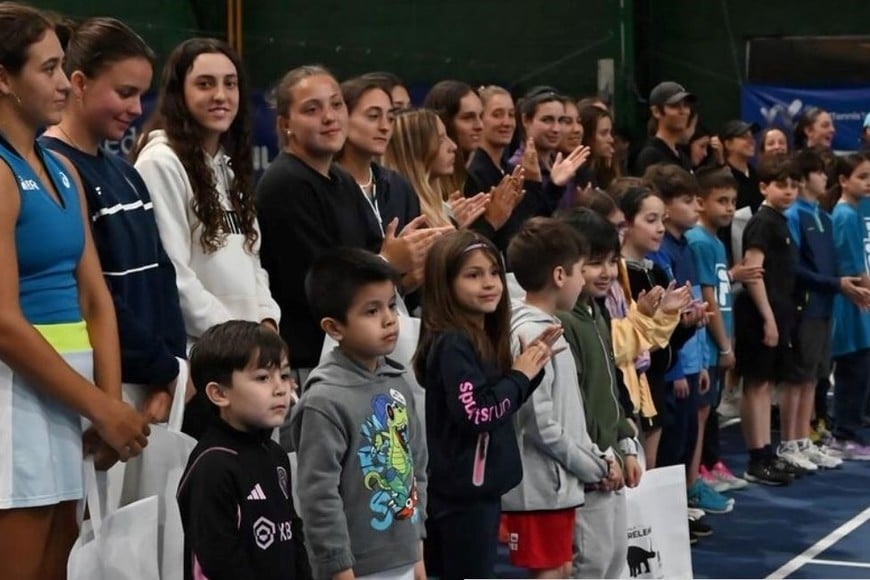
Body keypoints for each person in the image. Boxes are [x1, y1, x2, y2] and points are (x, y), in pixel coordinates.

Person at [0, 5, 150, 578]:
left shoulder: (60, 169)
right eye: (49, 68)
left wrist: (108, 404)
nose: (66, 82)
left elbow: (94, 299)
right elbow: (4, 321)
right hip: (16, 400)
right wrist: (101, 408)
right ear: (4, 79)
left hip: (71, 405)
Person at [255, 66, 435, 439]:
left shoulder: (340, 179)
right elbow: (319, 284)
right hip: (312, 366)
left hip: (353, 361)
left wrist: (410, 265)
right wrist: (389, 264)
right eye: (312, 109)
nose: (329, 117)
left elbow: (372, 254)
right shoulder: (285, 184)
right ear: (286, 123)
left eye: (336, 105)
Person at [41, 17, 189, 423]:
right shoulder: (53, 171)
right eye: (125, 93)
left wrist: (171, 373)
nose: (137, 109)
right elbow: (94, 294)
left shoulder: (126, 173)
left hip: (155, 383)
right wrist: (161, 370)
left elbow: (162, 276)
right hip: (99, 387)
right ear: (79, 83)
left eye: (142, 95)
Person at [413, 231, 559, 580]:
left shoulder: (477, 335)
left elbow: (497, 399)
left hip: (476, 491)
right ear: (444, 284)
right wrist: (520, 376)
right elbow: (478, 413)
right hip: (463, 496)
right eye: (473, 275)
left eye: (494, 272)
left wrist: (530, 368)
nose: (490, 283)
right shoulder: (453, 343)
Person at [291, 249, 428, 580]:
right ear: (334, 327)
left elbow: (417, 468)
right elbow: (319, 494)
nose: (388, 319)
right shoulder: (324, 399)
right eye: (371, 310)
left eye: (391, 305)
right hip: (357, 567)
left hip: (404, 557)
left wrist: (417, 549)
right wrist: (338, 566)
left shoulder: (397, 380)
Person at [132, 39, 280, 341]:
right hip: (204, 354)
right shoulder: (160, 163)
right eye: (205, 84)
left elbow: (252, 262)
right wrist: (237, 340)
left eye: (230, 84)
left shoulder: (228, 167)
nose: (221, 96)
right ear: (178, 93)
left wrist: (267, 322)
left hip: (247, 354)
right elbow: (174, 275)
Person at [502, 218, 611, 579]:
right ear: (560, 275)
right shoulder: (532, 336)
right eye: (581, 270)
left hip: (558, 482)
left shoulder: (547, 328)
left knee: (562, 567)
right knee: (550, 572)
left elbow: (565, 416)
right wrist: (592, 467)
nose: (584, 280)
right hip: (540, 485)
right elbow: (541, 426)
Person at [177, 321, 308, 580]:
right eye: (262, 378)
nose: (281, 388)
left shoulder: (275, 455)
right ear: (219, 393)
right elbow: (219, 560)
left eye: (283, 375)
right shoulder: (212, 466)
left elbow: (293, 535)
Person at [642, 164, 735, 515]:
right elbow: (665, 323)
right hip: (670, 367)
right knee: (668, 444)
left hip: (693, 358)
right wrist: (679, 369)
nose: (697, 207)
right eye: (687, 200)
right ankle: (666, 511)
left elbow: (693, 309)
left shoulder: (686, 248)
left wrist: (701, 362)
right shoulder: (660, 252)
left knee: (684, 437)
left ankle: (684, 496)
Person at [555, 209, 643, 575]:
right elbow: (574, 402)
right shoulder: (563, 321)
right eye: (594, 264)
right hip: (589, 469)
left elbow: (610, 388)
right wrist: (603, 455)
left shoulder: (597, 311)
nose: (606, 272)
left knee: (614, 559)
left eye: (611, 261)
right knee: (589, 563)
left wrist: (625, 442)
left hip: (613, 461)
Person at [786, 150, 867, 467]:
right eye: (820, 173)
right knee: (801, 376)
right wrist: (837, 285)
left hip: (826, 304)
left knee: (814, 376)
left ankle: (804, 439)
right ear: (805, 179)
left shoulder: (823, 214)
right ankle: (792, 442)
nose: (825, 178)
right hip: (807, 305)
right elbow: (795, 267)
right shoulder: (796, 215)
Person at [733, 153, 804, 484]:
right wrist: (768, 318)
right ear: (763, 187)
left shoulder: (780, 220)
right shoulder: (763, 222)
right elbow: (753, 272)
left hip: (777, 311)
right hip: (759, 314)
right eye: (781, 185)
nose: (788, 191)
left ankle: (766, 452)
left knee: (766, 385)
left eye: (793, 185)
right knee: (757, 386)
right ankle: (756, 456)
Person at [685, 168, 752, 492]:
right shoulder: (699, 241)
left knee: (708, 411)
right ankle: (696, 475)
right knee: (701, 414)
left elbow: (723, 297)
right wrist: (724, 346)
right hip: (709, 346)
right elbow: (708, 296)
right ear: (700, 202)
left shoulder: (714, 240)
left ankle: (707, 466)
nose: (728, 208)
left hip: (719, 343)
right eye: (721, 201)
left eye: (733, 201)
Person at [335, 76, 421, 237]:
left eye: (390, 118)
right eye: (373, 116)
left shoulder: (399, 186)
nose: (385, 127)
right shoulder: (325, 187)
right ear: (342, 118)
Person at [384, 108, 491, 229]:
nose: (453, 146)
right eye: (440, 140)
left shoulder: (445, 210)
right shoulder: (403, 216)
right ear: (415, 151)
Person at [828, 152, 870, 459]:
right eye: (862, 177)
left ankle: (849, 429)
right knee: (852, 368)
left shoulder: (852, 213)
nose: (869, 183)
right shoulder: (844, 216)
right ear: (843, 181)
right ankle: (843, 434)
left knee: (859, 367)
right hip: (850, 302)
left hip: (857, 300)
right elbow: (855, 267)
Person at [423, 80, 483, 196]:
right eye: (468, 118)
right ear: (444, 122)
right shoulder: (431, 180)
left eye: (481, 116)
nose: (479, 126)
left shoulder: (470, 180)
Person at [632, 81, 696, 175]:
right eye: (674, 106)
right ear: (656, 111)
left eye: (686, 106)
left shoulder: (682, 156)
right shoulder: (651, 156)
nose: (683, 111)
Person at [577, 104, 619, 190]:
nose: (611, 140)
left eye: (611, 133)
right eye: (603, 134)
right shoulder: (582, 173)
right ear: (587, 136)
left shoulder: (603, 167)